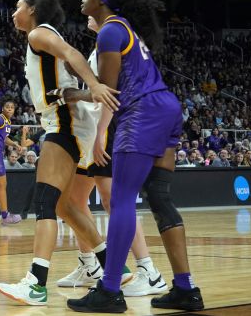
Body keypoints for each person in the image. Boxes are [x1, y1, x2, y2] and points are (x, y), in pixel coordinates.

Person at [68, 0, 204, 312]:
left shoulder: (111, 31)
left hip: (142, 113)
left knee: (122, 199)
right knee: (159, 198)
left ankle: (110, 290)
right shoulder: (124, 29)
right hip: (167, 108)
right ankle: (185, 289)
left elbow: (106, 91)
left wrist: (69, 94)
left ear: (101, 1)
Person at [0, 0, 119, 307]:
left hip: (63, 125)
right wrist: (85, 94)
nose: (14, 12)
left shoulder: (39, 33)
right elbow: (63, 87)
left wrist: (94, 86)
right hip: (68, 121)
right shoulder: (40, 37)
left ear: (33, 9)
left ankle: (36, 284)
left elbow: (72, 54)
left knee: (46, 202)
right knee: (64, 207)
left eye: (18, 5)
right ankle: (112, 269)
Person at [55, 16, 167, 297]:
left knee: (114, 200)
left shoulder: (114, 40)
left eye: (93, 0)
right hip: (92, 130)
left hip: (110, 127)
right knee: (72, 201)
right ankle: (89, 265)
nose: (86, 8)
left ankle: (148, 271)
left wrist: (100, 130)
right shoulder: (102, 43)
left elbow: (110, 94)